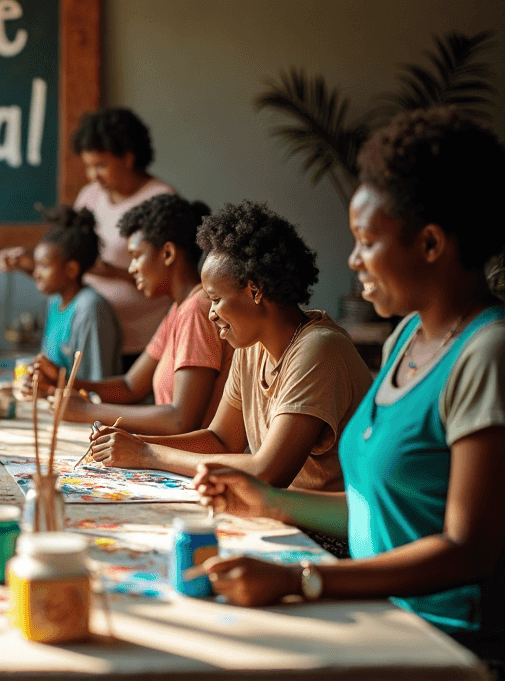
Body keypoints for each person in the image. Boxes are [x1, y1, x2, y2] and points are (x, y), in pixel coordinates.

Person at [195, 109, 505, 666]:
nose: (353, 260)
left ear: (431, 244)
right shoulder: (406, 338)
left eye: (366, 241)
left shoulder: (486, 354)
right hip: (376, 611)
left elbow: (467, 551)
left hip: (445, 642)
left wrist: (307, 579)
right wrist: (271, 502)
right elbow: (375, 511)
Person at [89, 201, 371, 494]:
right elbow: (220, 439)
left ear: (255, 290)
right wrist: (135, 443)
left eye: (216, 299)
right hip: (284, 514)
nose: (211, 314)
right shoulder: (251, 348)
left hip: (327, 534)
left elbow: (268, 472)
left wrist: (148, 454)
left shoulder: (317, 349)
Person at [0, 108, 174, 369]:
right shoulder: (90, 196)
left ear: (127, 157)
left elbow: (170, 279)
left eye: (101, 166)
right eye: (88, 167)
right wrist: (32, 263)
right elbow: (72, 259)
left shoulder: (160, 201)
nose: (93, 176)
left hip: (141, 343)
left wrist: (111, 272)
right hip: (85, 332)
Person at [62, 195, 232, 435]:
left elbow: (180, 420)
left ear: (168, 253)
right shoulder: (178, 309)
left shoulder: (198, 310)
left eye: (135, 256)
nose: (131, 269)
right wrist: (64, 384)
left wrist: (88, 411)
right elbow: (130, 386)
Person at [27, 206, 123, 392]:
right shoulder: (54, 302)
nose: (36, 274)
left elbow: (95, 387)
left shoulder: (91, 309)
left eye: (44, 266)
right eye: (36, 265)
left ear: (71, 269)